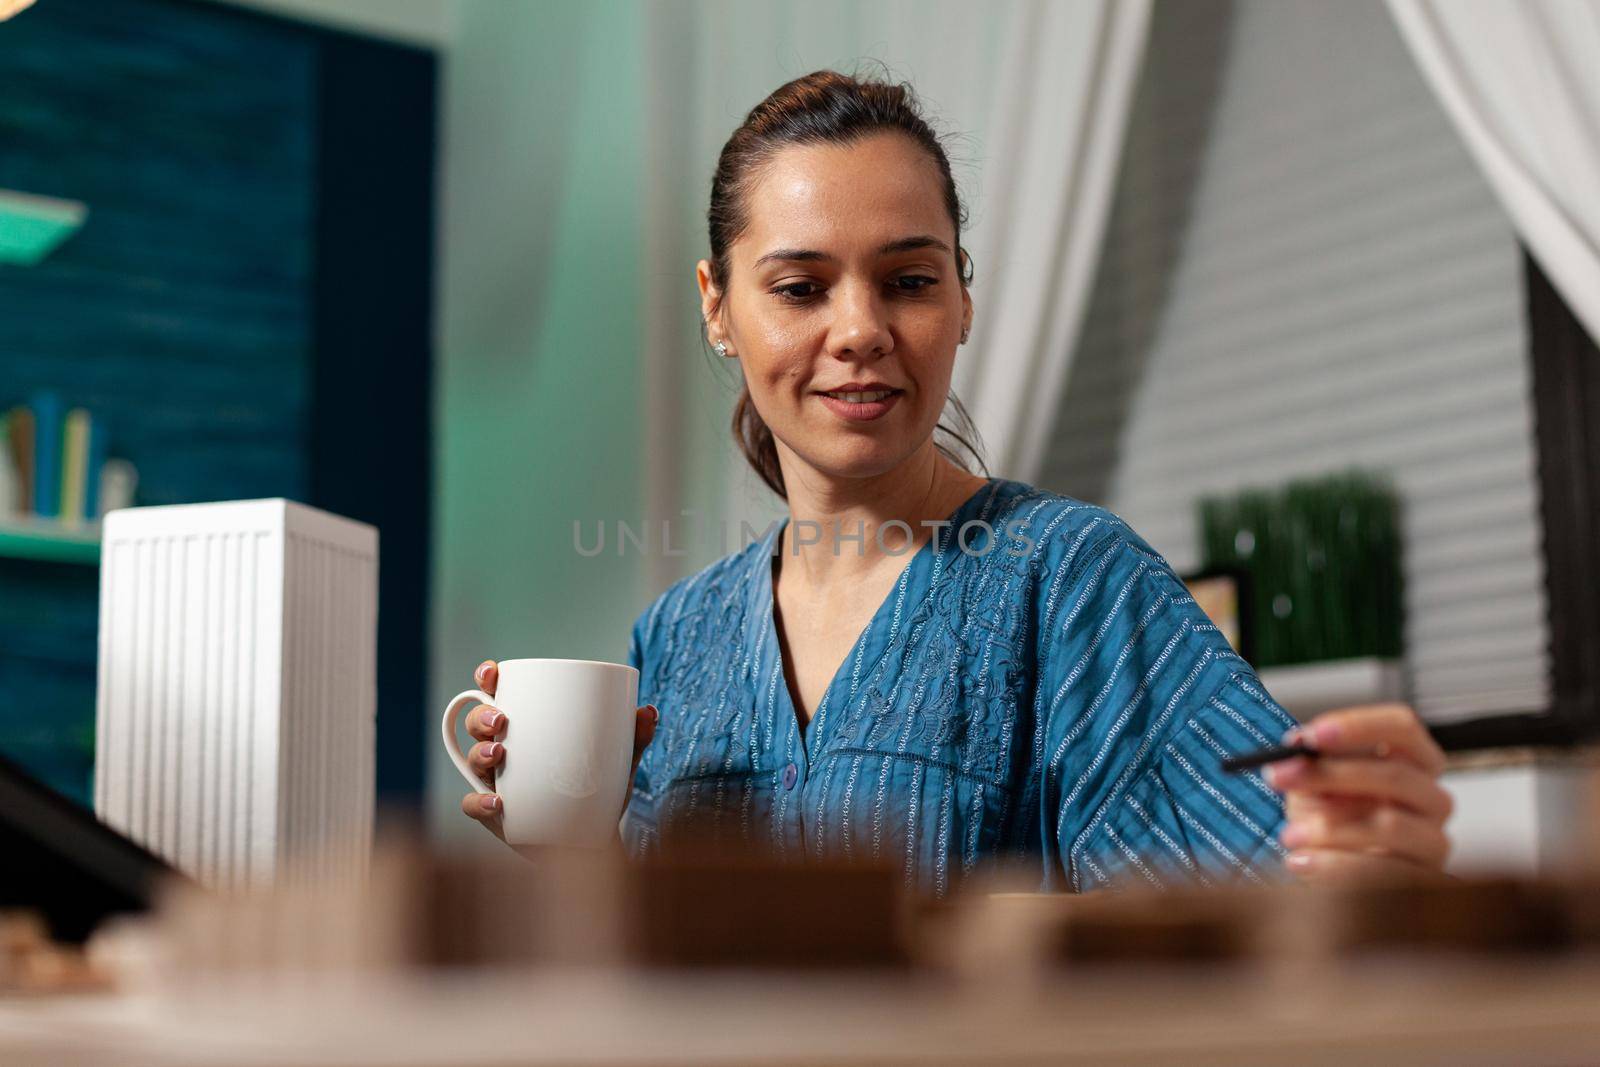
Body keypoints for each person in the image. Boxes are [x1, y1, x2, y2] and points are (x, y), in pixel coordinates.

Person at [461, 70, 1452, 895]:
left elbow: (1262, 899)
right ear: (717, 307)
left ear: (963, 299)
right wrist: (579, 856)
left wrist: (1361, 852)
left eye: (908, 279)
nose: (859, 330)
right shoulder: (673, 640)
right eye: (801, 287)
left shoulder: (1069, 582)